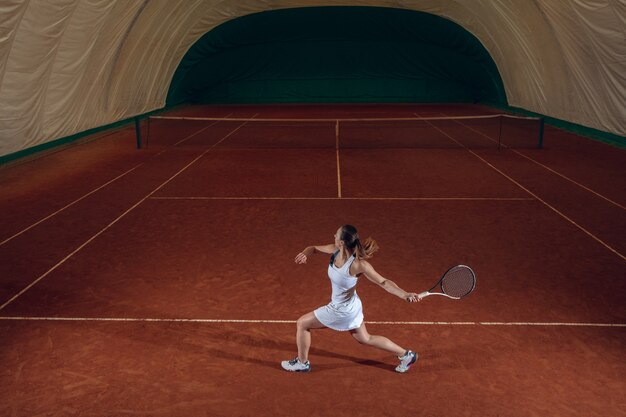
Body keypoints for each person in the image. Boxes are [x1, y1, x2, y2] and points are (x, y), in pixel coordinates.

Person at [281, 224, 420, 373]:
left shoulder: (358, 265)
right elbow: (313, 247)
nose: (333, 236)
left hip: (341, 311)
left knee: (302, 324)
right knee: (365, 339)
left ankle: (302, 363)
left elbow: (384, 282)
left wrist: (404, 294)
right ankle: (406, 355)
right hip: (352, 306)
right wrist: (305, 253)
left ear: (341, 242)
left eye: (336, 235)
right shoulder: (335, 250)